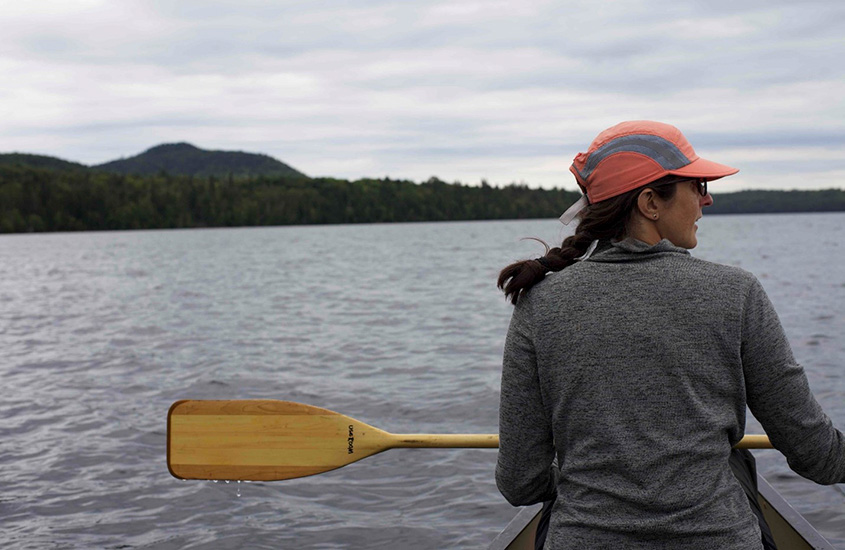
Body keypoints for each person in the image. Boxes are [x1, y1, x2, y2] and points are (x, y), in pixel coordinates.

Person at [494, 120, 845, 550]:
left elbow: (519, 483)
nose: (707, 198)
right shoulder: (736, 293)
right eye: (697, 185)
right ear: (649, 203)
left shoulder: (541, 303)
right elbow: (817, 455)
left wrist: (588, 482)